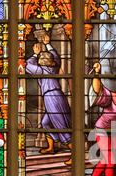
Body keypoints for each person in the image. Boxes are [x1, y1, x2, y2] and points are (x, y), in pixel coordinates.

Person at [26, 34, 72, 163]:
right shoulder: (54, 67)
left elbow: (26, 65)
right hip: (57, 96)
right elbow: (56, 57)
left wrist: (35, 54)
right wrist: (48, 44)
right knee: (46, 123)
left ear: (42, 62)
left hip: (51, 98)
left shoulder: (41, 70)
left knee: (61, 126)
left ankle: (75, 154)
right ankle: (51, 147)